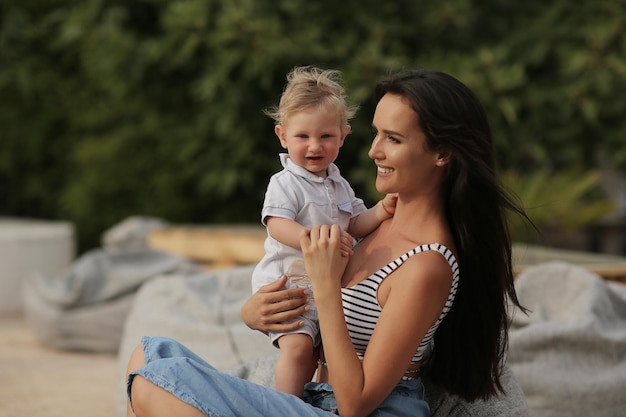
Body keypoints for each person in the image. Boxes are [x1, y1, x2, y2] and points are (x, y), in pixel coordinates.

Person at [125, 69, 527, 417]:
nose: (373, 151)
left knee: (151, 382)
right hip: (316, 399)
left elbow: (357, 403)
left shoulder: (427, 265)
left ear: (441, 152)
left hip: (355, 409)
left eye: (393, 138)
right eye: (375, 134)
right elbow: (313, 310)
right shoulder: (373, 223)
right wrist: (257, 313)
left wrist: (324, 284)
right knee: (149, 355)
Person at [251, 66, 398, 397]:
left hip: (323, 288)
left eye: (326, 136)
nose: (314, 146)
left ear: (343, 136)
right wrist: (311, 240)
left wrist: (382, 210)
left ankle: (313, 399)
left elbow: (356, 224)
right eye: (303, 137)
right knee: (299, 349)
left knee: (323, 354)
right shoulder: (285, 182)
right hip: (290, 286)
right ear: (283, 136)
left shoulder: (339, 184)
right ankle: (287, 406)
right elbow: (275, 224)